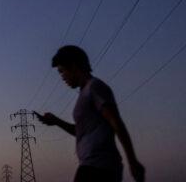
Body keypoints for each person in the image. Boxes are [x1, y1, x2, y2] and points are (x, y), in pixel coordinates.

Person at [34, 45, 145, 182]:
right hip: (93, 165)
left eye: (62, 71)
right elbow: (82, 131)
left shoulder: (95, 87)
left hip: (99, 167)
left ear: (73, 66)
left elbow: (115, 121)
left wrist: (132, 160)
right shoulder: (85, 93)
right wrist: (56, 121)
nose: (62, 77)